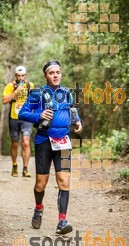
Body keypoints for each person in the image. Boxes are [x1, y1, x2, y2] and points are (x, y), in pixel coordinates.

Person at [18, 60, 83, 234]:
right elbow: (22, 113)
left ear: (61, 74)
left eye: (58, 72)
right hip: (44, 141)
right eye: (51, 73)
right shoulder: (37, 94)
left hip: (63, 141)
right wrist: (39, 115)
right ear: (45, 75)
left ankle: (62, 221)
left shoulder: (67, 93)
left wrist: (78, 122)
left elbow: (72, 110)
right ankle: (38, 208)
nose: (55, 75)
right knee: (41, 183)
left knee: (64, 180)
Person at [2, 66, 34, 177]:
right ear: (15, 75)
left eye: (23, 75)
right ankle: (14, 165)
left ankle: (25, 169)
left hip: (26, 118)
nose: (21, 78)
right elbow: (4, 101)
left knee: (26, 142)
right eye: (18, 75)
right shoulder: (10, 86)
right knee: (15, 144)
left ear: (25, 75)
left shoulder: (30, 86)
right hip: (14, 118)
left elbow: (34, 101)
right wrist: (16, 91)